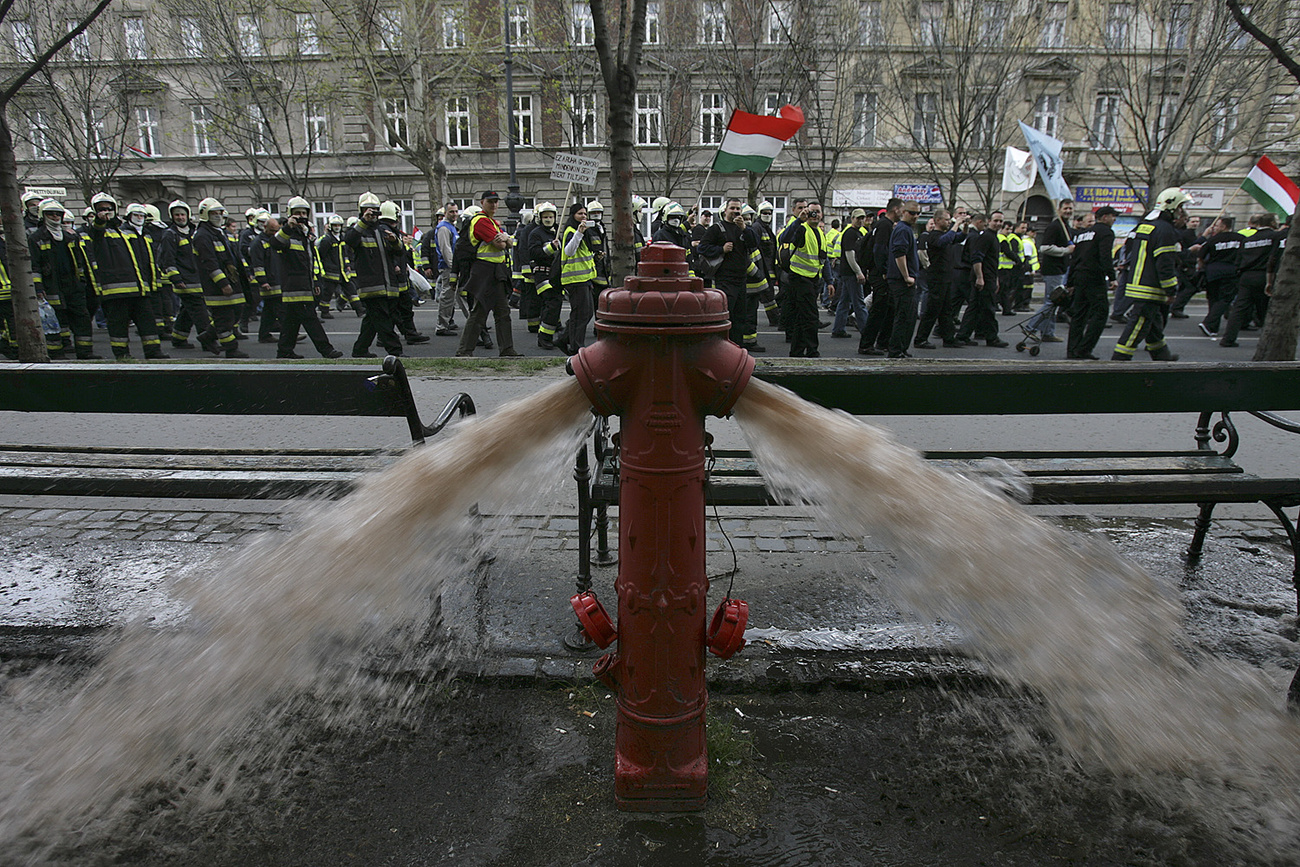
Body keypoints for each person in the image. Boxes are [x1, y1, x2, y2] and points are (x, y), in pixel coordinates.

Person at [1110, 187, 1190, 361]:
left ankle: (1161, 354)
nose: (1182, 212)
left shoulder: (1146, 225)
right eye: (1180, 208)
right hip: (1150, 288)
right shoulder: (1166, 231)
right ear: (1171, 208)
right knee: (1137, 325)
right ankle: (1119, 360)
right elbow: (1165, 263)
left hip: (1138, 283)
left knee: (1153, 323)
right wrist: (1171, 290)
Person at [86, 195, 169, 360]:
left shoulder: (125, 231)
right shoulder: (100, 231)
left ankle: (154, 352)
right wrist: (100, 222)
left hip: (139, 289)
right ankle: (122, 354)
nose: (106, 212)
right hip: (116, 292)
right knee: (118, 326)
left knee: (148, 323)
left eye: (109, 209)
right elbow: (96, 233)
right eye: (101, 209)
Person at [456, 191, 522, 357]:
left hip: (495, 271)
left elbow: (509, 243)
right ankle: (464, 351)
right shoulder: (481, 221)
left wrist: (506, 238)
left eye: (496, 202)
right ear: (482, 202)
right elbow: (501, 245)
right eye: (490, 202)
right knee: (480, 312)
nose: (494, 205)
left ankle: (506, 349)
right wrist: (506, 238)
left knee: (502, 312)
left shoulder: (492, 222)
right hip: (485, 271)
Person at [29, 200, 97, 358]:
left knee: (82, 318)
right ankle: (57, 354)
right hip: (52, 286)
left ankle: (85, 353)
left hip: (73, 286)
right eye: (50, 214)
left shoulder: (69, 237)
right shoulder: (37, 238)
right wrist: (38, 288)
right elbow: (35, 266)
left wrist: (81, 282)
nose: (55, 217)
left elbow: (79, 262)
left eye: (58, 214)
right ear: (43, 216)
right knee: (57, 321)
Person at [345, 191, 406, 358]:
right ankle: (395, 352)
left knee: (372, 321)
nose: (371, 213)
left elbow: (400, 252)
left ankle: (360, 350)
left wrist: (395, 241)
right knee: (384, 320)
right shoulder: (357, 230)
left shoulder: (382, 230)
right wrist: (364, 221)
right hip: (371, 286)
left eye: (374, 210)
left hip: (387, 284)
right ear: (361, 211)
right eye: (367, 210)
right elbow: (349, 241)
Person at [191, 198, 249, 358]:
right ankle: (231, 348)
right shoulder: (202, 236)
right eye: (213, 213)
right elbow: (209, 262)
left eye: (219, 213)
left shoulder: (218, 232)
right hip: (216, 285)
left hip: (232, 280)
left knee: (235, 312)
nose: (217, 216)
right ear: (205, 215)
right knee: (224, 318)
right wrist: (222, 283)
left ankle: (207, 336)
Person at [159, 200, 217, 354]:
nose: (180, 217)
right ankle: (208, 341)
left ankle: (178, 338)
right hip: (185, 281)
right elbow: (167, 259)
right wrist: (176, 279)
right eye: (177, 215)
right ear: (172, 216)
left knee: (187, 311)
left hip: (198, 279)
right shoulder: (169, 235)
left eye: (183, 214)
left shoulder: (194, 233)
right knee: (200, 312)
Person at [698, 198, 757, 348]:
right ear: (725, 211)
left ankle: (736, 348)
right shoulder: (716, 229)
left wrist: (744, 228)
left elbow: (754, 244)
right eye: (733, 208)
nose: (736, 212)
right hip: (725, 279)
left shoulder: (744, 228)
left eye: (738, 209)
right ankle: (723, 347)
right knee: (727, 315)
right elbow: (702, 248)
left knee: (740, 317)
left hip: (741, 279)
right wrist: (721, 249)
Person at [1219, 212, 1279, 348]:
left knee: (1239, 309)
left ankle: (1228, 339)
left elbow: (1238, 260)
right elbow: (1274, 257)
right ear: (1272, 223)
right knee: (1266, 310)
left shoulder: (1248, 240)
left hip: (1246, 276)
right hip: (1264, 275)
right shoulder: (1274, 237)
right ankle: (1269, 342)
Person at [1065, 206, 1118, 360]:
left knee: (1079, 314)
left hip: (1080, 276)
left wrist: (1070, 282)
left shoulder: (1083, 234)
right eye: (1112, 216)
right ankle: (1084, 348)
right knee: (1101, 313)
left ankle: (1072, 349)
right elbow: (1105, 256)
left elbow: (1075, 258)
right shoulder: (1106, 232)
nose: (1114, 220)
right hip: (1094, 277)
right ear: (1104, 217)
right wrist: (1112, 277)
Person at [954, 213, 1009, 348]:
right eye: (995, 220)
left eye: (1001, 221)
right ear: (988, 221)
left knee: (975, 307)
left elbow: (992, 261)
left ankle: (963, 335)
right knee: (988, 308)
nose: (998, 223)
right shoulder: (986, 237)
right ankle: (992, 337)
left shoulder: (993, 237)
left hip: (988, 277)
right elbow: (977, 258)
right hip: (984, 278)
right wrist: (980, 277)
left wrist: (995, 279)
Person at [912, 208, 965, 349]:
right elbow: (945, 240)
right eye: (946, 220)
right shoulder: (933, 236)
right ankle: (920, 339)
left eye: (949, 220)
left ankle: (948, 338)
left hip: (946, 277)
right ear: (937, 221)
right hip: (937, 277)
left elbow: (958, 238)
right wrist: (956, 224)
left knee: (946, 310)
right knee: (932, 310)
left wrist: (964, 226)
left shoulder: (945, 234)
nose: (949, 222)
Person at [550, 201, 598, 354]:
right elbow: (569, 251)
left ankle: (563, 339)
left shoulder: (584, 233)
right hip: (575, 280)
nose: (583, 216)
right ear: (573, 216)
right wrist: (579, 233)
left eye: (585, 214)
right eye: (580, 214)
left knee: (587, 312)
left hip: (584, 279)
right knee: (580, 314)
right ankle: (576, 347)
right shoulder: (572, 230)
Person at [858, 199, 902, 355]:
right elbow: (879, 249)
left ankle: (883, 342)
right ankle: (866, 344)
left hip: (880, 272)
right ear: (895, 209)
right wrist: (883, 270)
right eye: (902, 210)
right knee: (879, 309)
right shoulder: (884, 226)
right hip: (880, 274)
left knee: (889, 308)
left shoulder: (884, 225)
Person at [785, 203, 826, 358]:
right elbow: (785, 238)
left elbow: (822, 258)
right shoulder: (802, 229)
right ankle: (812, 351)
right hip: (800, 278)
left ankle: (796, 351)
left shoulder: (820, 233)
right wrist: (798, 220)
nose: (815, 215)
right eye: (812, 212)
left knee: (803, 317)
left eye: (817, 212)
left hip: (813, 279)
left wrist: (828, 281)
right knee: (811, 317)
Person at [886, 200, 921, 358]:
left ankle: (901, 347)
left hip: (905, 279)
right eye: (912, 213)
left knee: (909, 316)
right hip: (902, 281)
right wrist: (906, 276)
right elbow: (899, 254)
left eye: (917, 213)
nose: (915, 216)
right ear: (903, 212)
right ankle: (895, 349)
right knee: (903, 316)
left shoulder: (905, 229)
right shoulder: (902, 229)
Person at [1195, 215, 1240, 338]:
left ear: (1224, 226)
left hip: (1213, 272)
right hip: (1231, 272)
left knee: (1213, 299)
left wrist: (1203, 267)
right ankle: (1209, 324)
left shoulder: (1212, 240)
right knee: (1225, 299)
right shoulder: (1240, 239)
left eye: (1217, 225)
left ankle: (1212, 327)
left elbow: (1201, 256)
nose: (1214, 228)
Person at [831, 208, 869, 339]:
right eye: (858, 218)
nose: (861, 220)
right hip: (850, 273)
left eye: (862, 218)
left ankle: (838, 329)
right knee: (859, 303)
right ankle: (867, 331)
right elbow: (850, 254)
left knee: (844, 302)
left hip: (848, 272)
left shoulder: (857, 233)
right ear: (852, 218)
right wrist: (858, 272)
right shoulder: (850, 233)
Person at [530, 202, 563, 349]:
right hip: (542, 274)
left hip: (555, 275)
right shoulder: (536, 233)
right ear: (540, 218)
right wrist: (551, 247)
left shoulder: (556, 233)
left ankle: (546, 335)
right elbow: (534, 253)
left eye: (550, 216)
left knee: (553, 305)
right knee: (552, 302)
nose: (548, 219)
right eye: (545, 217)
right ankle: (543, 337)